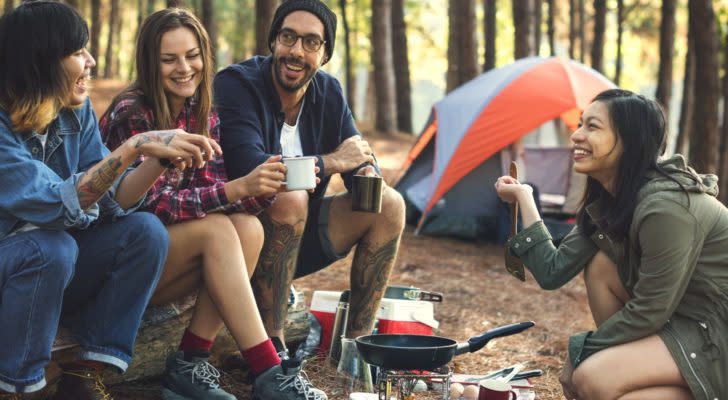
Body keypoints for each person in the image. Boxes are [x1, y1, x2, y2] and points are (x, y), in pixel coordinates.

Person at [100, 8, 327, 400]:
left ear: (205, 55)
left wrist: (266, 185)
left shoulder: (200, 110)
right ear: (150, 63)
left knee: (249, 228)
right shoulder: (133, 113)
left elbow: (213, 194)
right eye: (169, 59)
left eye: (192, 55)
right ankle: (270, 371)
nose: (184, 68)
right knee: (220, 229)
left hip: (171, 260)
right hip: (121, 263)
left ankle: (189, 362)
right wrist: (236, 190)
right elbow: (151, 207)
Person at [0, 2, 220, 399]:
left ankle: (85, 374)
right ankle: (20, 386)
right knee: (51, 247)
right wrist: (133, 146)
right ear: (41, 61)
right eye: (77, 52)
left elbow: (111, 197)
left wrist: (155, 158)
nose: (91, 60)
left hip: (54, 267)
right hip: (13, 265)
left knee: (144, 232)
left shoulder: (74, 110)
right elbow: (53, 203)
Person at [495, 89, 726, 400]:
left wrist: (581, 351)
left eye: (592, 127)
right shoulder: (611, 201)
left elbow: (649, 311)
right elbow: (552, 271)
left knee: (591, 377)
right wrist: (524, 197)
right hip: (682, 321)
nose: (576, 135)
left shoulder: (667, 207)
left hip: (715, 332)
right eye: (580, 124)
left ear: (630, 141)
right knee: (601, 266)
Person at [213, 0, 406, 356]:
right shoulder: (236, 84)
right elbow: (254, 171)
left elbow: (357, 152)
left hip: (298, 242)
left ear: (325, 54)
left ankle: (358, 349)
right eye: (288, 37)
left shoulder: (328, 92)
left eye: (311, 42)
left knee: (390, 205)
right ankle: (274, 346)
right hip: (237, 243)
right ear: (273, 42)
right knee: (289, 195)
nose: (296, 51)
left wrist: (365, 171)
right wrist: (334, 161)